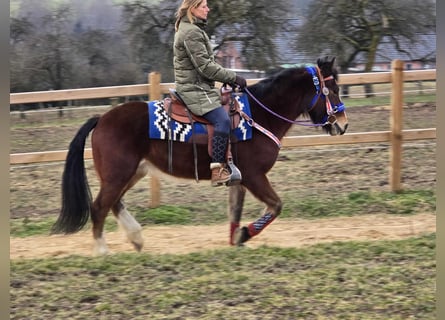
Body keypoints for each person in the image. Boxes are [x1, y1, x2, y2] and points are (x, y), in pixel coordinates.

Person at [173, 0, 247, 187]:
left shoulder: (191, 29)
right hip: (195, 89)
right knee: (221, 120)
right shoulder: (191, 32)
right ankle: (216, 170)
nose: (208, 9)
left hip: (200, 86)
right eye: (204, 6)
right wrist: (233, 77)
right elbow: (205, 67)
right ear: (193, 9)